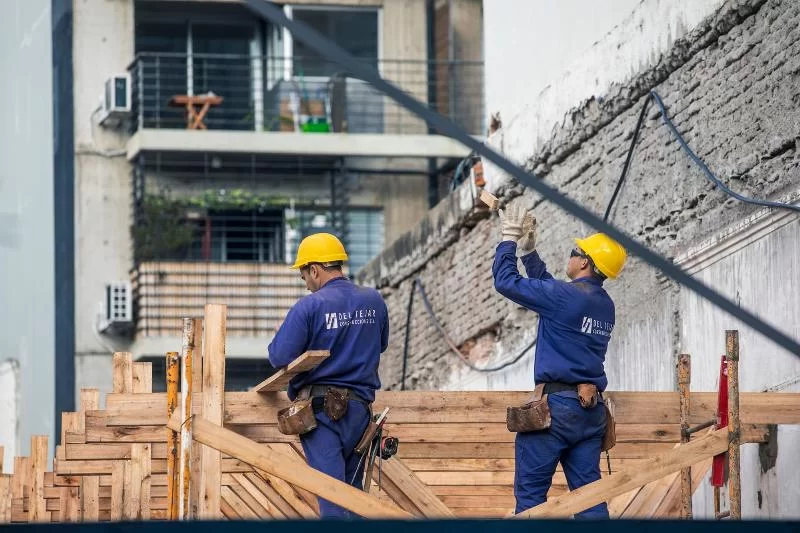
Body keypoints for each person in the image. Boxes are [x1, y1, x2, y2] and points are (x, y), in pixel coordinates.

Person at [492, 204, 627, 518]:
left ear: (584, 262)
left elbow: (505, 282)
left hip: (556, 411)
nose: (571, 255)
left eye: (574, 251)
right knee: (589, 498)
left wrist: (509, 240)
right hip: (590, 412)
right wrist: (530, 254)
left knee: (531, 499)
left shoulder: (566, 298)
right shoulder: (603, 304)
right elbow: (552, 295)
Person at [268, 232, 389, 518]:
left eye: (305, 277)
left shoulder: (309, 306)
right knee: (354, 495)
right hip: (360, 411)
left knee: (332, 496)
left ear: (315, 269)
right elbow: (380, 344)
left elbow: (279, 356)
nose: (307, 285)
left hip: (322, 414)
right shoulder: (373, 300)